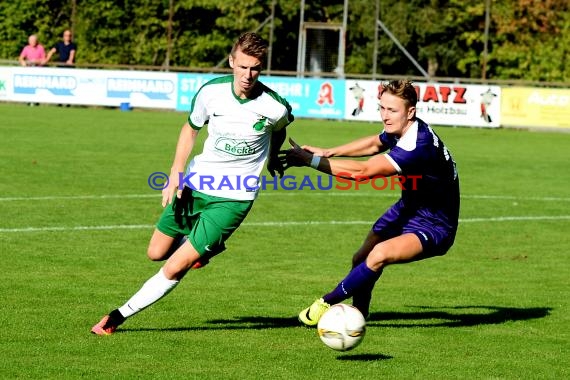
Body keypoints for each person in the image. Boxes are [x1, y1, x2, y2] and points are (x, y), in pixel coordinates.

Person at [91, 32, 294, 335]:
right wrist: (176, 171)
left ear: (262, 68)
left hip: (234, 197)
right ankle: (207, 245)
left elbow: (278, 130)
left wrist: (273, 157)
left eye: (255, 68)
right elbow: (190, 129)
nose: (247, 75)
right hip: (198, 183)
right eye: (242, 67)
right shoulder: (210, 93)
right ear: (231, 62)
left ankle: (116, 318)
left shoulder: (275, 106)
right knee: (156, 252)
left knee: (175, 266)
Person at [281, 79, 460, 326]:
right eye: (382, 108)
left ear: (411, 112)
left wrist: (310, 161)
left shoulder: (417, 145)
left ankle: (325, 303)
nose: (385, 116)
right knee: (360, 259)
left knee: (378, 255)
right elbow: (376, 143)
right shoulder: (404, 129)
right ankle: (359, 315)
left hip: (436, 226)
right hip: (408, 209)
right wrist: (328, 152)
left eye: (392, 110)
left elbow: (362, 172)